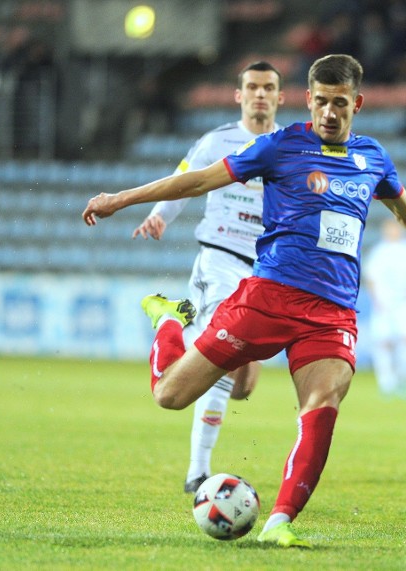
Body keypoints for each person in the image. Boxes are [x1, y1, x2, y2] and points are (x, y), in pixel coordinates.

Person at [82, 54, 406, 549]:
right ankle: (171, 322)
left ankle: (281, 519)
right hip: (268, 297)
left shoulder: (373, 158)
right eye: (320, 101)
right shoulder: (281, 145)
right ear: (307, 99)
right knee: (169, 397)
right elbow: (196, 180)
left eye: (339, 103)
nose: (328, 112)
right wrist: (120, 198)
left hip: (332, 313)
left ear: (357, 104)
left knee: (322, 404)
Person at [131, 61, 284, 496]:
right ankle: (197, 472)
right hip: (221, 259)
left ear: (280, 96)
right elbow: (186, 179)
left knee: (243, 387)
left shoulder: (287, 146)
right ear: (239, 95)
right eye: (252, 87)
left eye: (267, 87)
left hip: (265, 273)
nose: (259, 94)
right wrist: (160, 216)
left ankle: (168, 319)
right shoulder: (218, 141)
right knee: (219, 361)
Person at [363, 218, 406, 399]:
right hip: (383, 303)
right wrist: (376, 298)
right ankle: (386, 382)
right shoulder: (379, 251)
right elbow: (371, 278)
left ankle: (403, 380)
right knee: (383, 341)